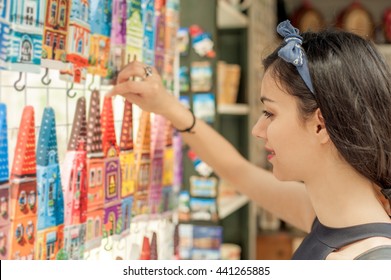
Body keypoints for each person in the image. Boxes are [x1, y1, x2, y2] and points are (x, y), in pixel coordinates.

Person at [107, 20, 391, 260]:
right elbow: (236, 170)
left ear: (320, 125)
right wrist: (166, 106)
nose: (257, 129)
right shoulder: (329, 213)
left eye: (269, 112)